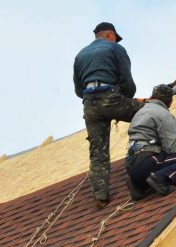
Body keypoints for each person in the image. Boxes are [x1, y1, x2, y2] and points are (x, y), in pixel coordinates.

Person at [74, 22, 144, 208]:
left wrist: (94, 99)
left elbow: (78, 89)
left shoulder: (80, 55)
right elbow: (127, 81)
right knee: (148, 111)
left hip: (90, 105)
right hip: (111, 97)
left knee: (98, 153)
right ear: (110, 34)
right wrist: (125, 100)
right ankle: (154, 155)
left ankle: (100, 196)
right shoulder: (115, 48)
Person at [125, 85, 176, 200]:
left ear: (151, 97)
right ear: (170, 103)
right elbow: (170, 148)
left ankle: (138, 184)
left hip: (130, 165)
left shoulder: (139, 113)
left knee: (159, 161)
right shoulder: (164, 115)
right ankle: (160, 177)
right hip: (148, 161)